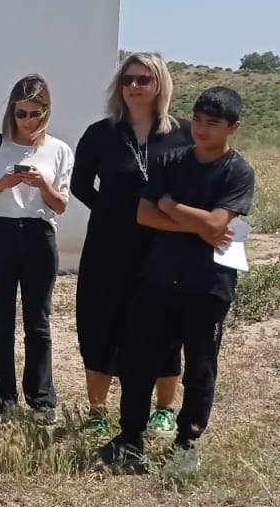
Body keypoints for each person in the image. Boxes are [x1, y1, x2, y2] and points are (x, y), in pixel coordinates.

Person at [99, 87, 255, 475]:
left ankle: (186, 442)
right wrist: (197, 224)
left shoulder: (237, 171)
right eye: (197, 120)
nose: (201, 129)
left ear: (232, 127)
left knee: (200, 366)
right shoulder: (170, 160)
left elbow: (219, 225)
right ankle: (130, 438)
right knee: (138, 361)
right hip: (158, 279)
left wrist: (172, 206)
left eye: (212, 124)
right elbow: (145, 215)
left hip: (209, 284)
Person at [71, 53, 193, 434]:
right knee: (100, 321)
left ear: (160, 85)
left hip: (164, 246)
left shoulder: (183, 134)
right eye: (128, 79)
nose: (134, 87)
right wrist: (110, 213)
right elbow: (79, 185)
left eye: (143, 79)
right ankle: (97, 411)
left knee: (165, 326)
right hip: (108, 248)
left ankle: (164, 408)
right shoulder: (100, 133)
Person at [0, 75, 74, 424]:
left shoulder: (58, 150)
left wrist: (42, 183)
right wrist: (2, 184)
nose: (28, 121)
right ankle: (0, 401)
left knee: (38, 322)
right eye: (22, 113)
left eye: (36, 114)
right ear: (11, 111)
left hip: (38, 234)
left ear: (47, 112)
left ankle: (42, 399)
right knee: (1, 322)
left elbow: (61, 205)